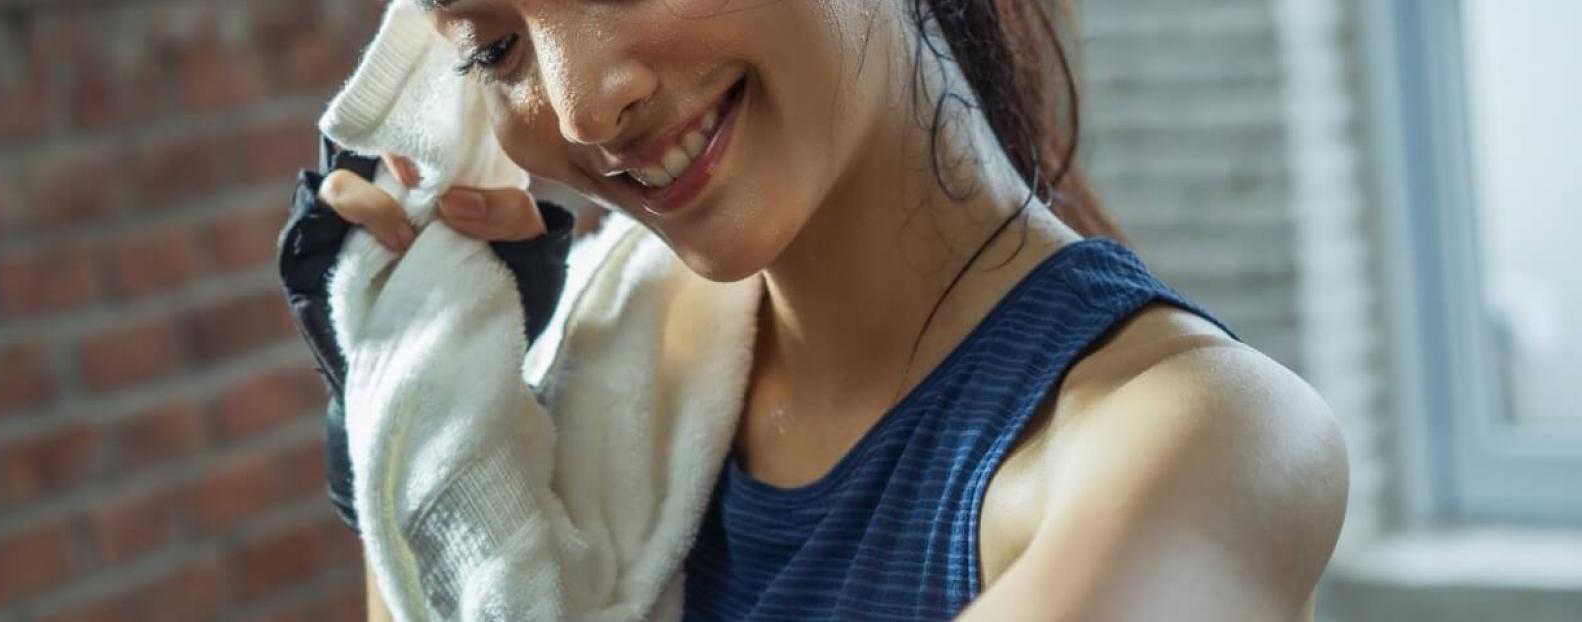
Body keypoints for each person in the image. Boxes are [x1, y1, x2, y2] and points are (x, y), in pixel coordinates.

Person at [280, 0, 1349, 619]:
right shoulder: (597, 399)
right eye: (495, 46)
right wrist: (414, 413)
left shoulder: (1188, 441)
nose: (585, 100)